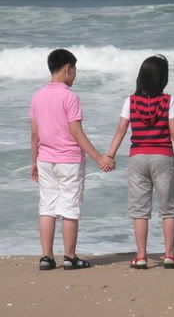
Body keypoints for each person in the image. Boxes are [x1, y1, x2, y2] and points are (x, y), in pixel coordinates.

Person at [107, 55, 174, 270]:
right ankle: (169, 255)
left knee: (140, 211)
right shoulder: (168, 101)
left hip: (137, 158)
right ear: (162, 78)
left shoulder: (131, 101)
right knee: (168, 209)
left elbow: (121, 130)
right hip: (163, 158)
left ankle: (141, 256)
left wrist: (109, 156)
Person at [30, 49, 115, 271]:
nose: (75, 75)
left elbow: (35, 134)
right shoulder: (70, 97)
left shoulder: (38, 96)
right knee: (70, 207)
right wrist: (99, 158)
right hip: (69, 159)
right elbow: (76, 132)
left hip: (45, 159)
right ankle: (70, 256)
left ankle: (47, 257)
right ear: (67, 68)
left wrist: (34, 161)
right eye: (75, 70)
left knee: (47, 207)